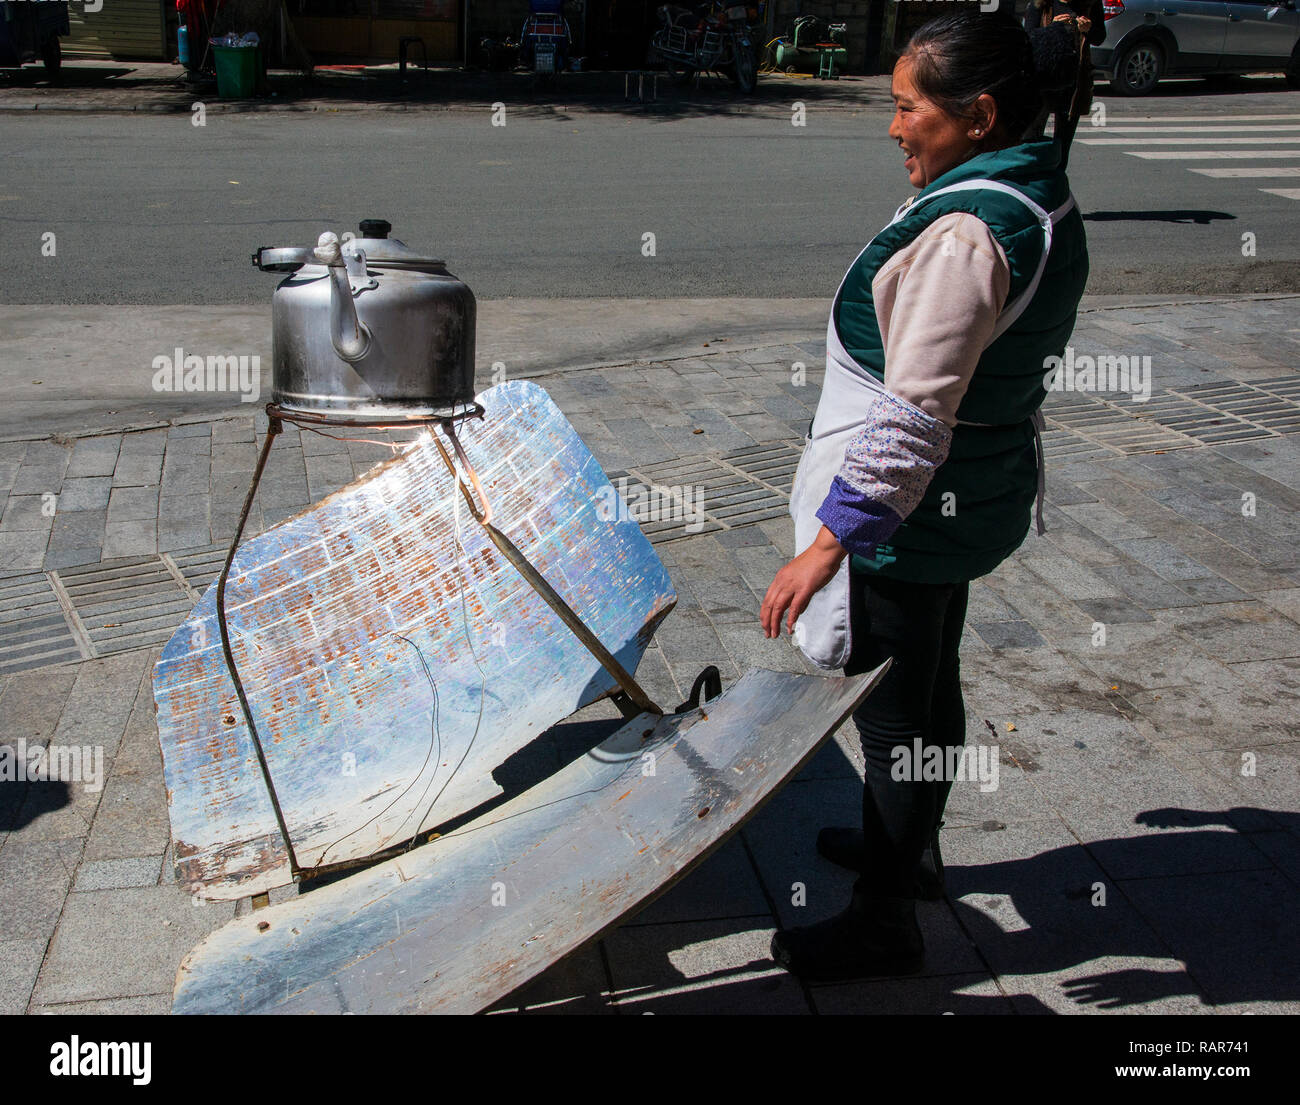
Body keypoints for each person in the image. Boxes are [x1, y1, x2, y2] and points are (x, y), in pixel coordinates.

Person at [759, 9, 1089, 982]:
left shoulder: (965, 233)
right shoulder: (1032, 186)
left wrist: (828, 545)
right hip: (966, 496)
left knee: (898, 712)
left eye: (908, 107)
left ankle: (885, 918)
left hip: (912, 510)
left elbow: (912, 418)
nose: (894, 126)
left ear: (977, 113)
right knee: (930, 684)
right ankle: (912, 849)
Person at [1024, 0, 1107, 170]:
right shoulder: (1041, 4)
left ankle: (1056, 186)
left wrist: (1088, 29)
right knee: (1030, 141)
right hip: (1043, 82)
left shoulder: (1090, 4)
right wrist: (1053, 28)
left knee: (1063, 145)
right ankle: (1030, 184)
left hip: (1074, 82)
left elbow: (1099, 37)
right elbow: (1028, 38)